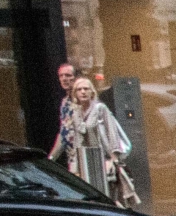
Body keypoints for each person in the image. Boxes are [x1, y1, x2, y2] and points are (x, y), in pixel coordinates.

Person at [54, 75, 136, 205]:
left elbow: (112, 133)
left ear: (92, 91)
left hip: (102, 158)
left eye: (86, 89)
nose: (83, 92)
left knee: (106, 198)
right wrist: (74, 165)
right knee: (87, 198)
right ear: (75, 93)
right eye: (79, 89)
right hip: (84, 159)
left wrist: (113, 160)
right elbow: (77, 140)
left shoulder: (100, 109)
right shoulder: (75, 112)